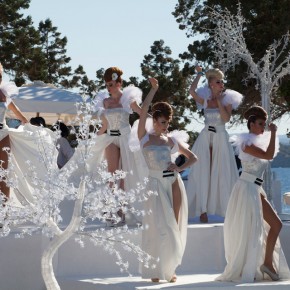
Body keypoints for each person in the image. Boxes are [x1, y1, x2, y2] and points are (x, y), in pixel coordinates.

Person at [217, 106, 290, 282]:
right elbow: (269, 154)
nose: (263, 127)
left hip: (257, 189)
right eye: (260, 124)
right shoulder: (246, 143)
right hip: (247, 188)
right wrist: (273, 133)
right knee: (255, 229)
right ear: (251, 124)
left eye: (264, 124)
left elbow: (267, 154)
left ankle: (267, 263)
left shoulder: (258, 142)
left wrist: (270, 135)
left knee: (275, 225)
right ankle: (257, 265)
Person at [137, 78, 198, 283]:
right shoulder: (144, 137)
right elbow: (144, 109)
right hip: (154, 185)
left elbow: (193, 158)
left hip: (173, 183)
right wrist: (153, 89)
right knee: (157, 227)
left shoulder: (171, 141)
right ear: (154, 120)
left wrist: (178, 167)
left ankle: (169, 269)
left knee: (173, 227)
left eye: (168, 123)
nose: (166, 126)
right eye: (163, 122)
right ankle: (156, 270)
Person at [186, 66, 243, 222]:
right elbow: (192, 91)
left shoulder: (228, 99)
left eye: (221, 81)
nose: (221, 84)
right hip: (206, 136)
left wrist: (219, 102)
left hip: (220, 136)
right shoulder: (205, 99)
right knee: (203, 171)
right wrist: (198, 74)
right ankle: (202, 209)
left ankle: (222, 208)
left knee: (221, 171)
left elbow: (226, 119)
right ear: (211, 84)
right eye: (218, 82)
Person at [92, 67, 143, 224]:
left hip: (126, 138)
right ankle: (112, 209)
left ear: (120, 83)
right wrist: (95, 138)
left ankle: (123, 209)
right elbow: (105, 125)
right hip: (110, 138)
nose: (109, 87)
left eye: (112, 84)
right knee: (111, 175)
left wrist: (154, 125)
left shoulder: (128, 99)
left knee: (125, 176)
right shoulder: (105, 102)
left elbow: (142, 113)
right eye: (107, 85)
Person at [0, 62, 28, 203]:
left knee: (4, 175)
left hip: (3, 134)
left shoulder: (4, 93)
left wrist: (25, 121)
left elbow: (15, 110)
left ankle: (4, 213)